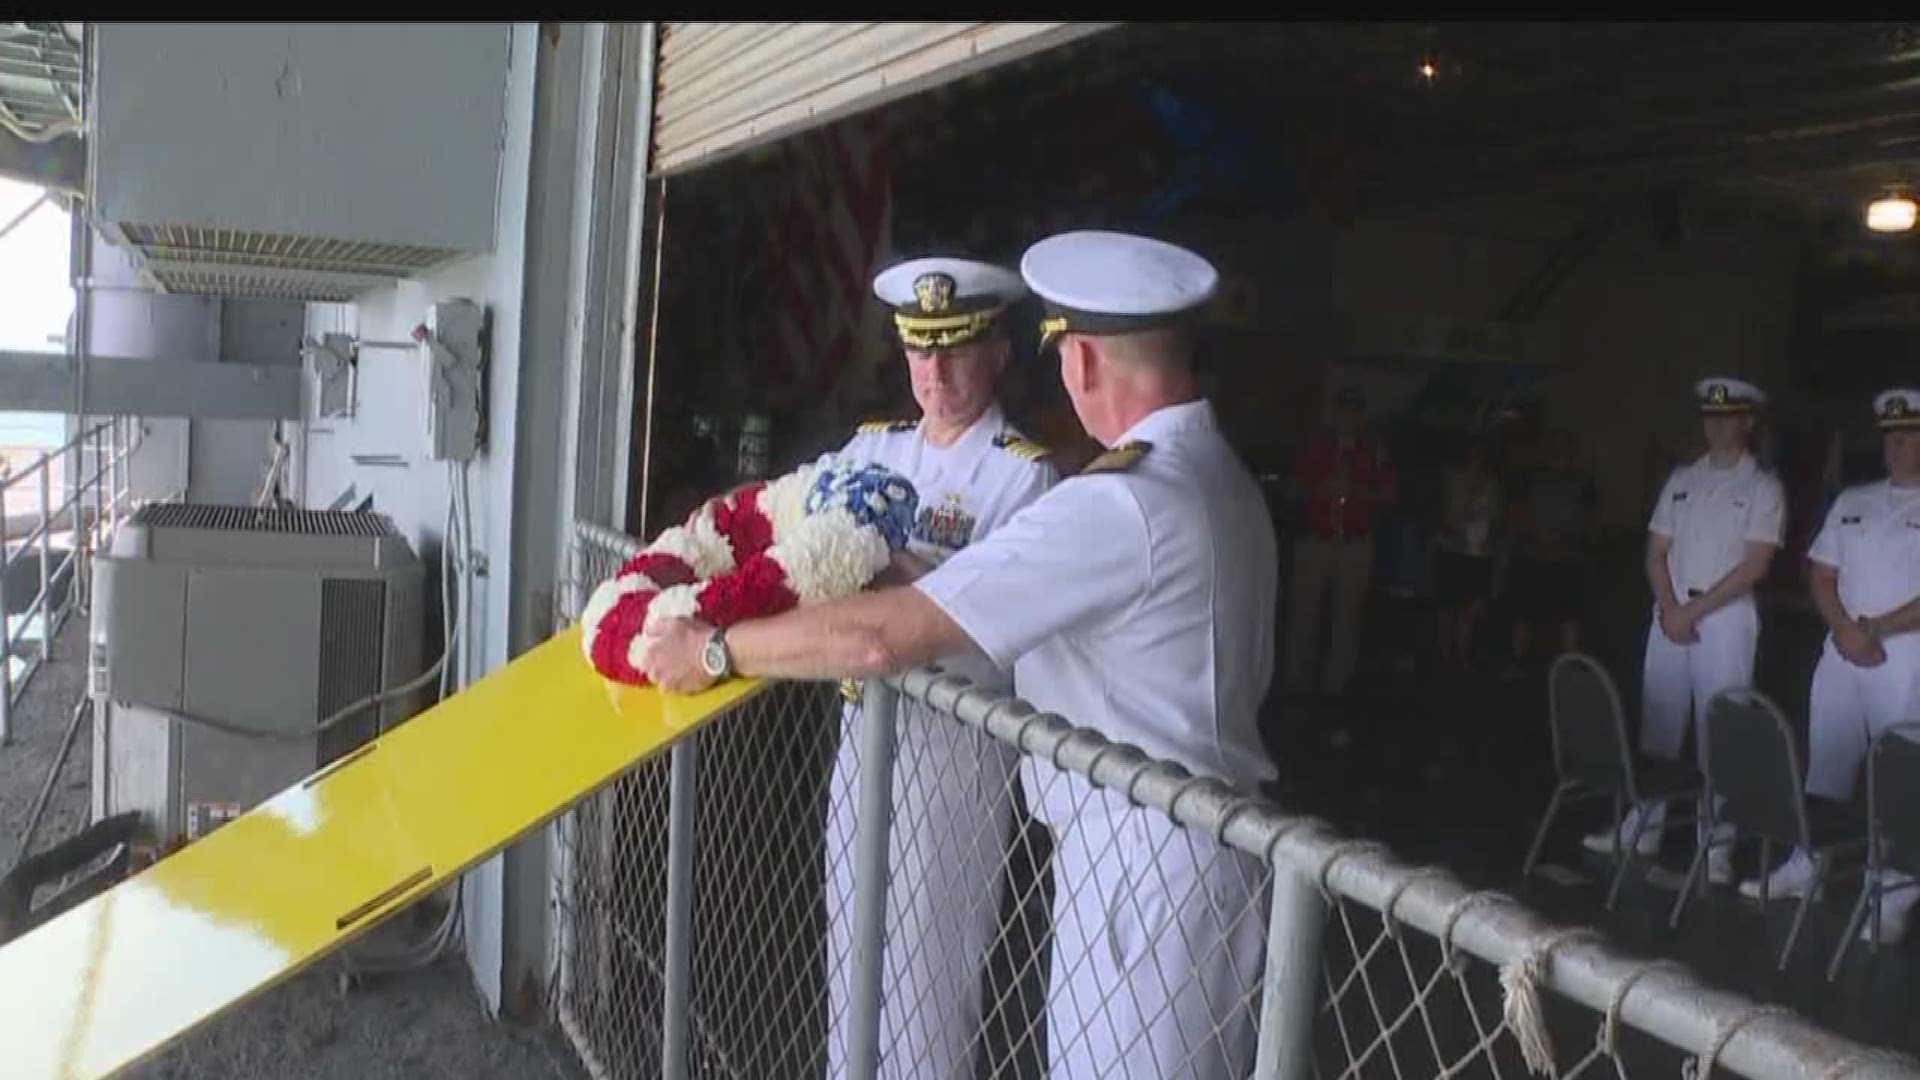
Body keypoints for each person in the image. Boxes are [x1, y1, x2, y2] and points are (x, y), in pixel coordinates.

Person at [639, 230, 1278, 1080]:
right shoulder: (1212, 475)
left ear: (1078, 360)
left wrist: (715, 650)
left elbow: (883, 634)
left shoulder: (1123, 499)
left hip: (1143, 863)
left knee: (935, 999)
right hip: (1175, 847)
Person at [811, 256, 1057, 1080]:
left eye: (956, 350)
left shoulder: (1022, 473)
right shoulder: (872, 448)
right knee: (848, 951)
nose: (936, 373)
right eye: (921, 351)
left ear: (999, 352)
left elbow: (993, 625)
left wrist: (888, 578)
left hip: (951, 755)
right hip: (863, 732)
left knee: (926, 971)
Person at [1583, 377, 1784, 883]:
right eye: (1709, 417)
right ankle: (1643, 826)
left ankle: (1716, 847)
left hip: (1725, 617)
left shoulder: (1763, 486)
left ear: (1749, 422)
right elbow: (1655, 552)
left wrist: (1690, 613)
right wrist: (1671, 607)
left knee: (1723, 731)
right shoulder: (1682, 479)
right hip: (1670, 612)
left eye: (1727, 417)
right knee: (1659, 723)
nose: (1716, 426)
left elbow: (1754, 566)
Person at [1742, 388, 1920, 942]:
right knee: (1828, 762)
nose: (1898, 446)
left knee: (1903, 775)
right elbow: (1820, 573)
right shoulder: (1853, 500)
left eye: (1910, 436)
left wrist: (1876, 630)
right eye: (1891, 436)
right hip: (1842, 646)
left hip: (1907, 653)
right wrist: (1844, 627)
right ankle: (1810, 861)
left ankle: (1894, 892)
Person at [1287, 385, 1397, 696]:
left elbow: (1390, 495)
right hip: (1315, 540)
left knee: (1347, 618)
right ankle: (1297, 682)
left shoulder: (1375, 450)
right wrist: (1317, 488)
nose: (1346, 418)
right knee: (1303, 615)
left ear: (1361, 416)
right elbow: (1293, 486)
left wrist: (1356, 491)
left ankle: (1336, 687)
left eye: (1353, 412)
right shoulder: (1316, 445)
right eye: (1341, 411)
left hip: (1355, 544)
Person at [1505, 429, 1598, 674]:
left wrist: (1566, 538)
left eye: (1563, 445)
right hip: (1531, 555)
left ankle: (1569, 669)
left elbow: (1590, 519)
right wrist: (1534, 535)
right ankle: (1518, 662)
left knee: (1570, 616)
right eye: (1553, 444)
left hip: (1567, 558)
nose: (1558, 450)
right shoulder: (1530, 478)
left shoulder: (1583, 481)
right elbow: (1517, 512)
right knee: (1523, 614)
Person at [1433, 437, 1502, 671]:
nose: (1476, 457)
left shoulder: (1493, 484)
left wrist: (1490, 541)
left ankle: (1462, 651)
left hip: (1479, 555)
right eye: (1473, 452)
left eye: (1481, 453)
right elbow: (1437, 514)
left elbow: (1496, 520)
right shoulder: (1450, 479)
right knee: (1447, 605)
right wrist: (1453, 533)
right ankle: (1443, 653)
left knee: (1470, 608)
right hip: (1451, 551)